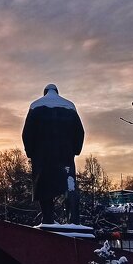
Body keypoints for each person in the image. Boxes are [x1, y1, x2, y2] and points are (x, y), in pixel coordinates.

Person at [21, 84, 85, 224]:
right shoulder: (70, 107)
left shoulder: (35, 106)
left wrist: (31, 152)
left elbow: (27, 133)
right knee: (70, 187)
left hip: (42, 157)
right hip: (65, 156)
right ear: (57, 92)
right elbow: (80, 132)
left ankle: (48, 219)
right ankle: (73, 221)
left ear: (45, 93)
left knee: (44, 187)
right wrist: (75, 150)